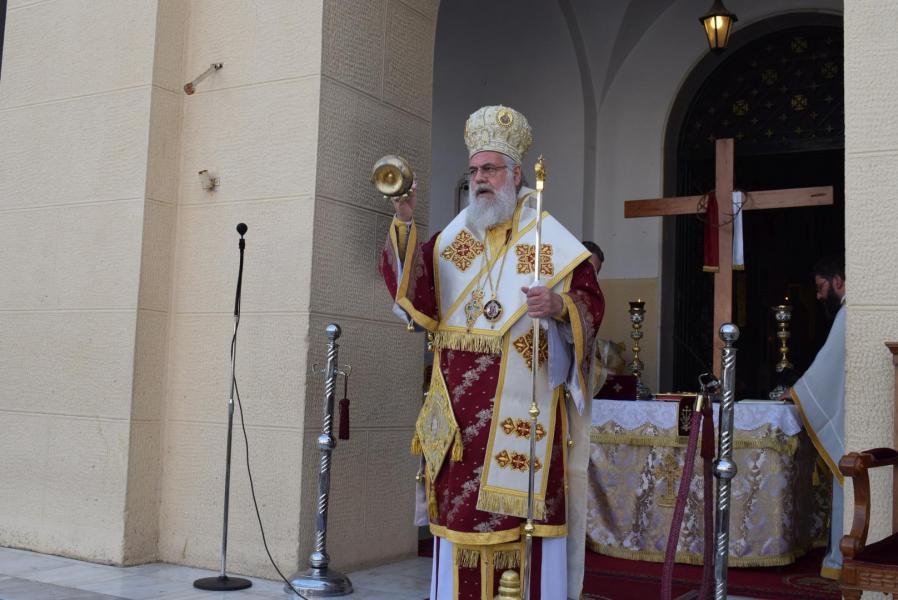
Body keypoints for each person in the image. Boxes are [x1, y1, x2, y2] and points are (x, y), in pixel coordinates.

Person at [380, 105, 604, 599]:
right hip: (459, 423)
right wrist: (404, 222)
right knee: (458, 525)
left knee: (520, 526)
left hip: (524, 416)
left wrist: (560, 306)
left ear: (516, 174)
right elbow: (418, 300)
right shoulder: (453, 240)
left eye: (490, 169)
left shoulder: (548, 239)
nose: (480, 179)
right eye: (474, 171)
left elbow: (590, 302)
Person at [781, 255, 845, 579]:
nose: (819, 295)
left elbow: (827, 365)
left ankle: (841, 560)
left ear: (837, 281)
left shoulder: (848, 313)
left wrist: (796, 393)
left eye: (821, 287)